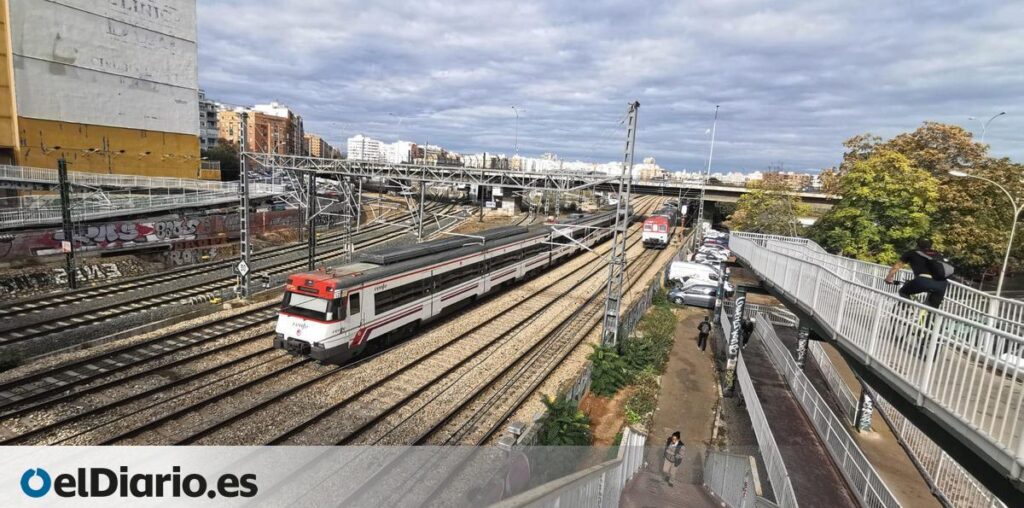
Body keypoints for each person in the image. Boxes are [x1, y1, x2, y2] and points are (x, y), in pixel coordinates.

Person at [884, 238, 950, 309]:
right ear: (931, 245)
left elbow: (896, 267)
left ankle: (908, 311)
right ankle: (930, 318)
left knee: (903, 292)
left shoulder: (912, 253)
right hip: (942, 283)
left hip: (923, 281)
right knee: (932, 309)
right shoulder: (938, 254)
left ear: (917, 244)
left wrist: (889, 277)